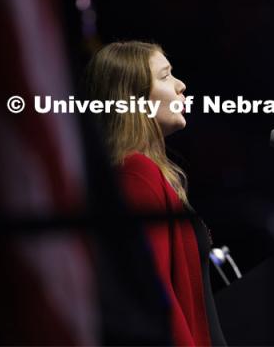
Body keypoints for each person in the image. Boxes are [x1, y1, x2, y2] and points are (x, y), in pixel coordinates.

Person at [84, 40, 226, 346]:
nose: (181, 85)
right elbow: (153, 296)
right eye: (165, 76)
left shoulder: (151, 174)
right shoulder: (137, 174)